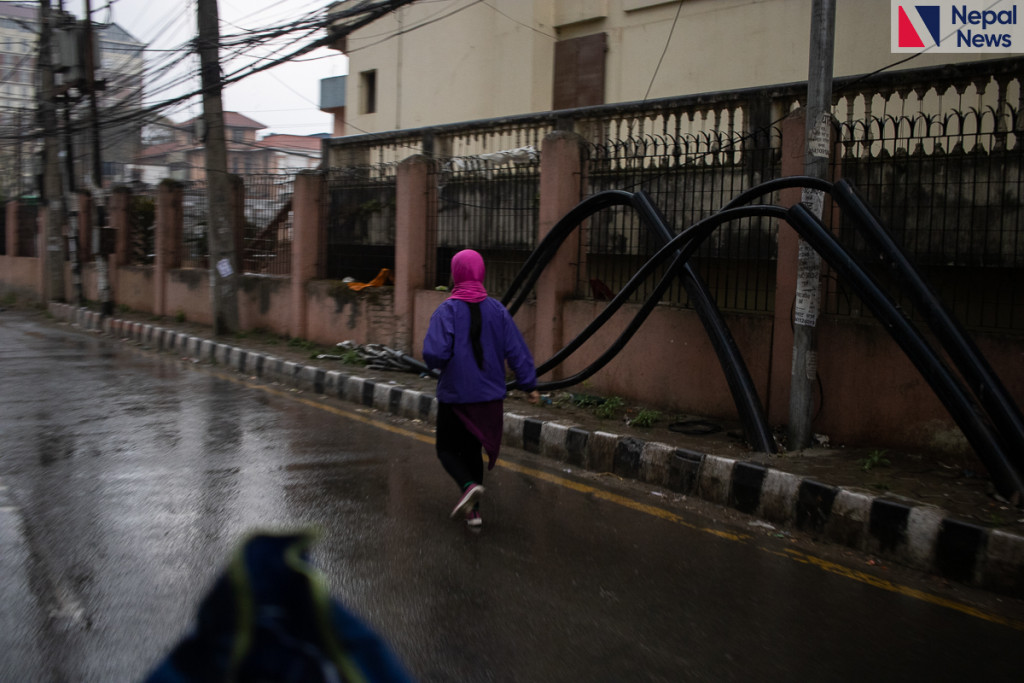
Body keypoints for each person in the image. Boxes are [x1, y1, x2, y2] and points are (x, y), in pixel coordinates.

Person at [423, 249, 540, 528]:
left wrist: (443, 361)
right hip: (489, 400)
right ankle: (474, 512)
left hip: (456, 397)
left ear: (455, 274)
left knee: (446, 450)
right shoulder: (498, 311)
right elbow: (517, 351)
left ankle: (466, 486)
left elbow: (434, 353)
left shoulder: (447, 310)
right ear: (481, 273)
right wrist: (529, 385)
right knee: (472, 451)